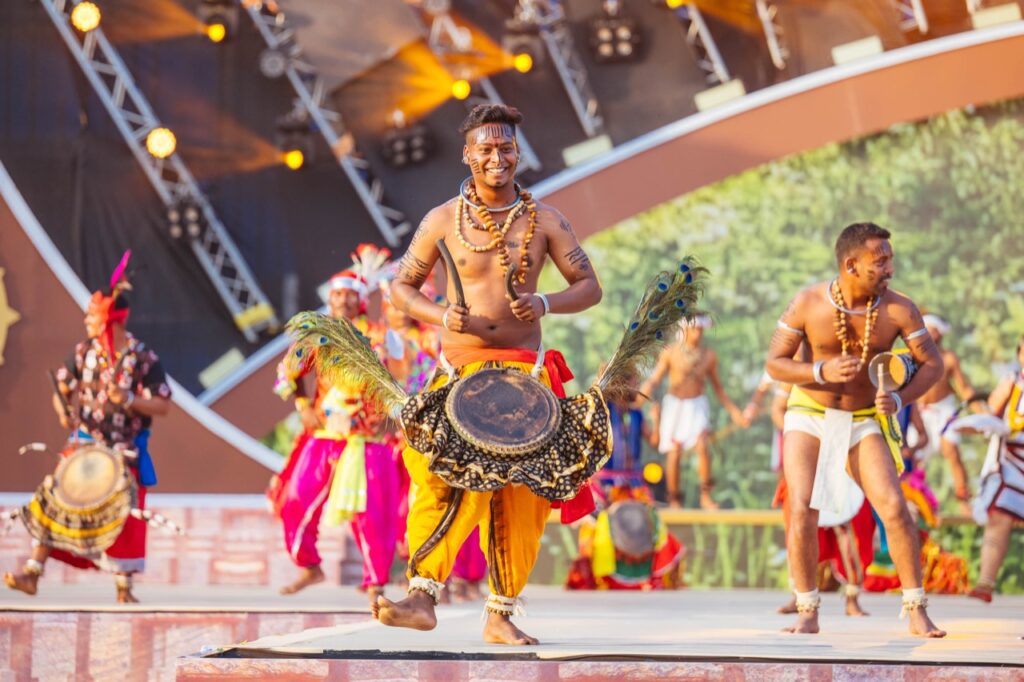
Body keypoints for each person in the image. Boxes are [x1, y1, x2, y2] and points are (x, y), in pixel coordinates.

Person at [376, 103, 602, 645]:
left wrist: (546, 302)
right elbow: (400, 289)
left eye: (505, 148)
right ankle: (422, 595)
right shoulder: (441, 220)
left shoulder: (546, 219)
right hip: (460, 375)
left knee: (521, 498)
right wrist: (440, 314)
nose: (497, 157)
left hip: (526, 383)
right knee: (443, 476)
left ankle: (500, 615)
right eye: (486, 148)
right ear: (467, 155)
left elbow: (589, 287)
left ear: (517, 153)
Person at [766, 222, 946, 637]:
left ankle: (916, 608)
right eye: (880, 261)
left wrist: (900, 399)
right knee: (801, 508)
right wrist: (819, 369)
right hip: (809, 411)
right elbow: (775, 363)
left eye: (890, 259)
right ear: (851, 264)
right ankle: (807, 610)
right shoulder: (808, 303)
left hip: (863, 418)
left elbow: (932, 364)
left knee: (894, 509)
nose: (890, 269)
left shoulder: (900, 308)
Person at [4, 252, 171, 603]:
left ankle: (124, 588)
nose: (86, 320)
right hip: (84, 441)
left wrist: (128, 400)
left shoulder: (142, 357)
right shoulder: (83, 352)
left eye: (91, 315)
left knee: (125, 509)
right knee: (54, 497)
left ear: (109, 317)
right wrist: (63, 411)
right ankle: (33, 572)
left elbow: (162, 404)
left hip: (124, 446)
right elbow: (62, 389)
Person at [273, 267, 402, 606]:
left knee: (371, 515)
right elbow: (289, 373)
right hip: (326, 433)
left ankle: (375, 584)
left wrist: (386, 414)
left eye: (350, 294)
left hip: (367, 439)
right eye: (337, 293)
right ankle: (309, 566)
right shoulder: (316, 336)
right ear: (328, 298)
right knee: (295, 500)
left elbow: (401, 378)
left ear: (361, 300)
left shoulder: (377, 334)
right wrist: (303, 405)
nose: (343, 299)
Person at [640, 316, 748, 509]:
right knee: (674, 452)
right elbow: (655, 379)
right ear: (685, 330)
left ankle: (705, 495)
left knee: (702, 445)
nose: (698, 333)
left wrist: (734, 412)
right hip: (674, 406)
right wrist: (641, 396)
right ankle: (674, 499)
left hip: (697, 405)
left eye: (700, 329)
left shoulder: (708, 356)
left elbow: (718, 388)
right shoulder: (671, 352)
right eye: (694, 329)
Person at [969, 334, 1024, 603]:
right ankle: (985, 583)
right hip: (1012, 462)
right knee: (999, 517)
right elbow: (990, 412)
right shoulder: (1011, 383)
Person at [912, 314, 977, 515]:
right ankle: (916, 502)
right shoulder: (912, 356)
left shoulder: (948, 358)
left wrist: (982, 413)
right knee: (914, 455)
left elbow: (964, 389)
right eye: (927, 329)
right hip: (920, 412)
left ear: (941, 333)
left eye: (934, 329)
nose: (930, 333)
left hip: (944, 409)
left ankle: (963, 499)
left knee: (951, 449)